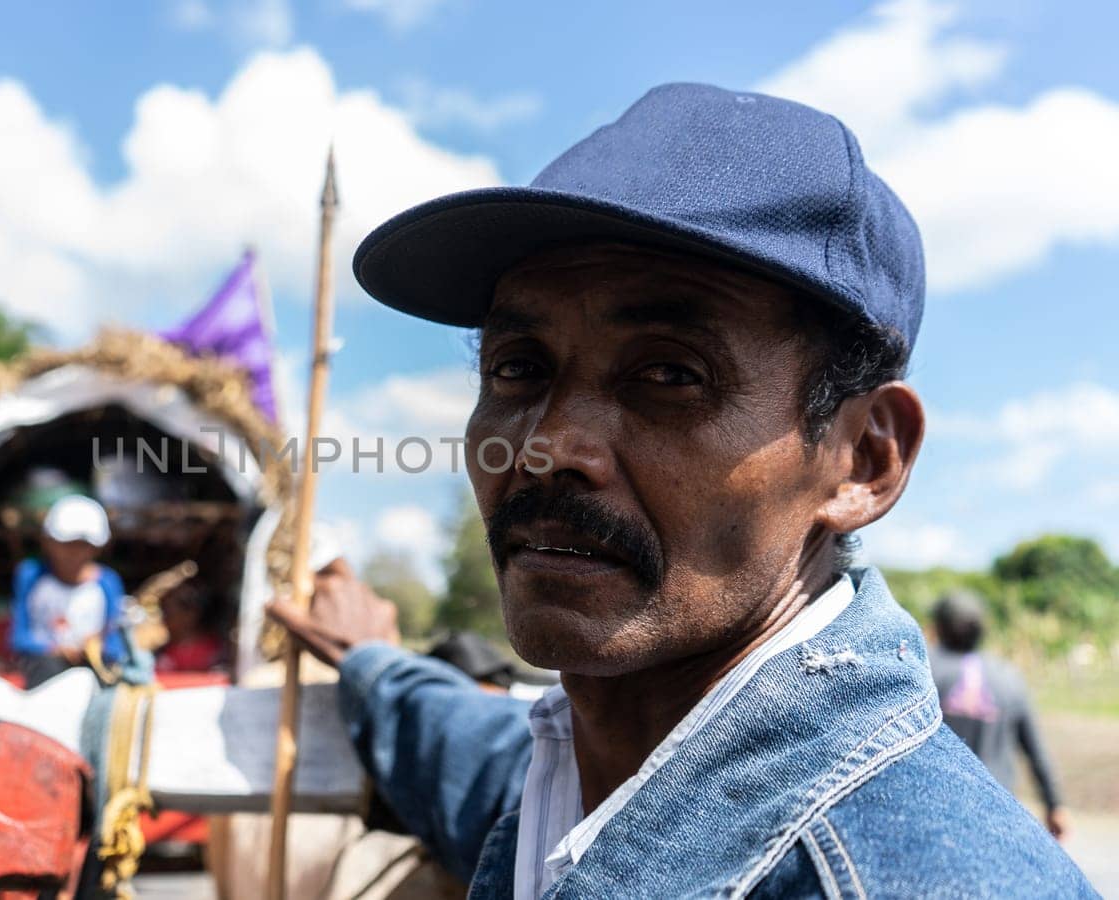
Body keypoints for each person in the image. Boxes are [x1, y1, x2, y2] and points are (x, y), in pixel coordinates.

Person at [267, 83, 1095, 897]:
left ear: (862, 462)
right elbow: (471, 758)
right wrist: (373, 662)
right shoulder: (571, 789)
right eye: (518, 367)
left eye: (669, 374)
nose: (549, 446)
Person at [930, 590, 1069, 840]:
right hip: (998, 811)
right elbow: (1034, 748)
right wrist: (1054, 803)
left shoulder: (924, 672)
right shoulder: (1009, 676)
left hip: (938, 811)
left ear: (938, 627)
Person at [9, 494, 127, 688]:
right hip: (44, 670)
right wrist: (54, 650)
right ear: (47, 541)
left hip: (92, 670)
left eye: (83, 546)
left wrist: (93, 648)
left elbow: (116, 643)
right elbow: (20, 637)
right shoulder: (30, 575)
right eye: (67, 545)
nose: (74, 553)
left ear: (97, 548)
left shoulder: (108, 582)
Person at [155, 579, 229, 673]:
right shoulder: (159, 651)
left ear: (191, 615)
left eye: (168, 613)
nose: (162, 619)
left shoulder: (214, 653)